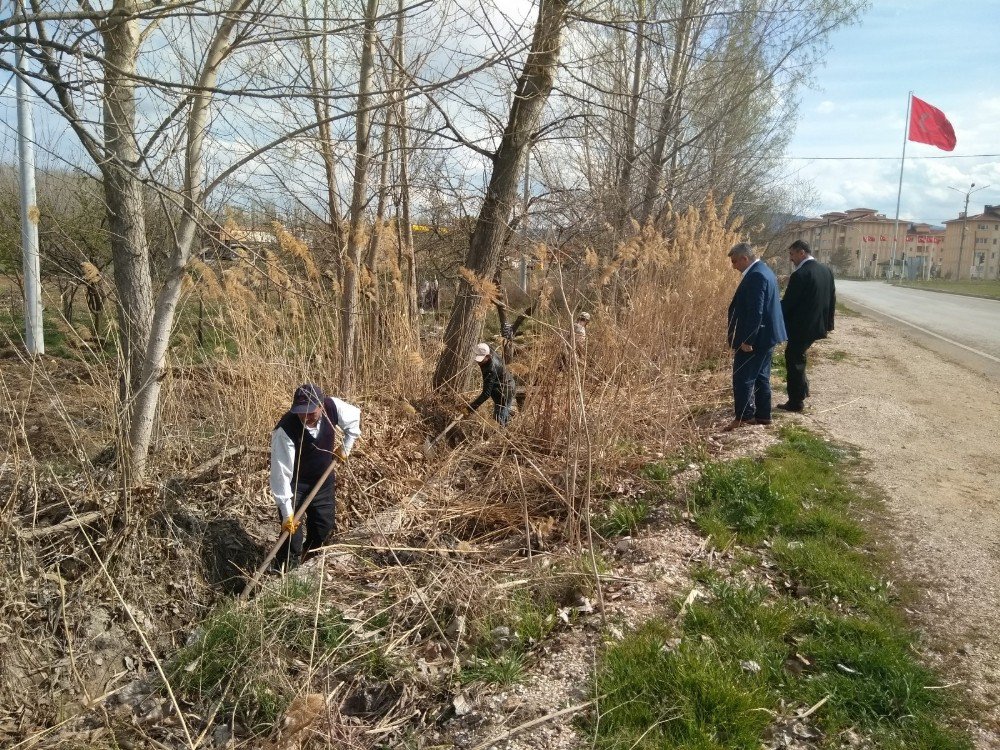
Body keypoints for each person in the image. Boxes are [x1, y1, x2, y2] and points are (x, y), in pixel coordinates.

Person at [270, 383, 362, 569]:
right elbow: (281, 475)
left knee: (323, 529)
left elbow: (354, 421)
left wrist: (345, 448)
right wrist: (287, 514)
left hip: (323, 481)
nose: (306, 416)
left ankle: (307, 564)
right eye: (301, 412)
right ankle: (284, 572)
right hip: (296, 485)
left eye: (311, 411)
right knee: (291, 539)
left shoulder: (333, 407)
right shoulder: (285, 430)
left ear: (321, 405)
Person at [725, 243, 787, 430]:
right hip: (768, 336)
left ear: (745, 258)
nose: (734, 266)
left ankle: (743, 417)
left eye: (735, 261)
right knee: (761, 376)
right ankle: (763, 416)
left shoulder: (756, 275)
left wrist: (747, 340)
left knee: (742, 376)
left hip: (757, 337)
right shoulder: (765, 270)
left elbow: (756, 311)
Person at [779, 240, 836, 412]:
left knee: (794, 358)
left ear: (802, 252)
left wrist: (775, 319)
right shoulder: (826, 270)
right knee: (798, 356)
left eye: (792, 254)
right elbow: (832, 299)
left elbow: (789, 303)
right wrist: (828, 324)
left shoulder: (801, 274)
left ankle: (796, 402)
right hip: (817, 324)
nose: (790, 259)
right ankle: (802, 391)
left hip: (802, 326)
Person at [468, 343, 516, 427]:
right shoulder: (487, 348)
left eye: (481, 360)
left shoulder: (491, 369)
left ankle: (502, 434)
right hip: (505, 384)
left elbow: (486, 394)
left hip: (504, 392)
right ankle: (507, 412)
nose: (479, 362)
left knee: (498, 420)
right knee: (504, 411)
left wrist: (471, 408)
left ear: (488, 356)